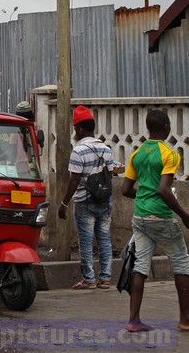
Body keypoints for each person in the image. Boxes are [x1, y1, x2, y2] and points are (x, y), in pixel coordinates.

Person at [121, 110, 189, 332]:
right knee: (181, 262)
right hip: (161, 217)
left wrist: (143, 197)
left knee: (140, 266)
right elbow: (163, 190)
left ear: (148, 128)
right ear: (167, 128)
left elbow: (126, 189)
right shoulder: (170, 154)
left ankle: (133, 320)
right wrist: (185, 215)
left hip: (139, 217)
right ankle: (185, 319)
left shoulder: (137, 154)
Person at [57, 105, 114, 290]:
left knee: (86, 242)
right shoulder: (106, 149)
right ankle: (105, 279)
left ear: (80, 129)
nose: (75, 132)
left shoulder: (78, 151)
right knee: (104, 239)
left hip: (84, 202)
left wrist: (64, 203)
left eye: (75, 129)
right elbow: (110, 174)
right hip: (104, 201)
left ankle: (89, 280)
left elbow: (74, 179)